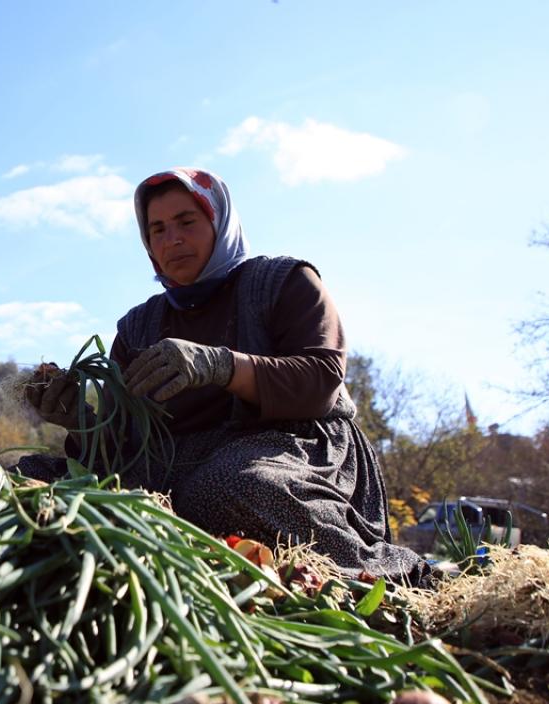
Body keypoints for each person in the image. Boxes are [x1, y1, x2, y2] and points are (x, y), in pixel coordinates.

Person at [21, 167, 429, 584]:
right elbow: (124, 444)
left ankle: (388, 573)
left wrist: (222, 365)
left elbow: (321, 380)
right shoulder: (137, 328)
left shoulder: (285, 283)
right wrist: (82, 422)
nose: (172, 239)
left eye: (187, 222)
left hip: (292, 448)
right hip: (177, 460)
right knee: (32, 479)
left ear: (219, 222)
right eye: (157, 230)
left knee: (226, 487)